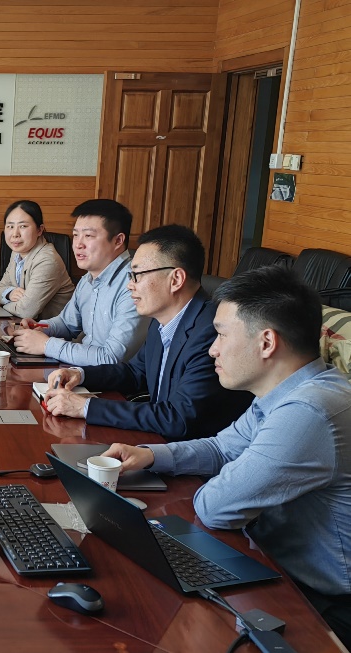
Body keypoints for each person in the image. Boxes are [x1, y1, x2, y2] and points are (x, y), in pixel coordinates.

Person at [102, 266, 351, 645]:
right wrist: (150, 455)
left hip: (320, 603)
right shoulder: (288, 390)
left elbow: (216, 507)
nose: (212, 349)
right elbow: (222, 447)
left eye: (220, 334)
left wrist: (224, 477)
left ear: (266, 342)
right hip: (274, 563)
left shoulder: (308, 411)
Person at [43, 225, 251, 439]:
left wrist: (86, 407)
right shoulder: (164, 318)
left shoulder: (212, 331)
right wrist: (80, 374)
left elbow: (179, 418)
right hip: (158, 439)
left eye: (137, 275)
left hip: (193, 451)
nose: (129, 286)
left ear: (176, 280)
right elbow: (135, 373)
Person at [12, 199, 147, 365]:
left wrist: (45, 345)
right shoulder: (88, 279)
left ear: (118, 241)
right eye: (76, 235)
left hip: (113, 379)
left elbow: (112, 358)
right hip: (80, 371)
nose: (78, 244)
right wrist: (40, 327)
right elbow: (67, 323)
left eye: (88, 236)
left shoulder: (134, 285)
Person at [0, 200, 75, 320]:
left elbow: (26, 311)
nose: (15, 234)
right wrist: (9, 293)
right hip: (24, 324)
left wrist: (0, 307)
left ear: (39, 230)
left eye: (23, 226)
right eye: (10, 226)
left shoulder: (47, 261)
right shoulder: (17, 252)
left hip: (52, 329)